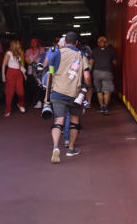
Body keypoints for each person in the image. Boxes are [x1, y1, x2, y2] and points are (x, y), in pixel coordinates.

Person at [44, 31, 91, 162]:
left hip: (57, 93)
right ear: (77, 43)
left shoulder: (56, 53)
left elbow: (51, 73)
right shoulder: (81, 55)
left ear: (64, 42)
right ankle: (71, 149)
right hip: (74, 95)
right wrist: (88, 88)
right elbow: (87, 77)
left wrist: (47, 94)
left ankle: (55, 148)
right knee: (74, 121)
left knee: (58, 121)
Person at [90, 36, 117, 114]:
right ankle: (105, 107)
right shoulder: (111, 51)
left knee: (99, 91)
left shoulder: (94, 51)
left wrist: (89, 70)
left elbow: (91, 62)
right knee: (107, 90)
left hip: (96, 72)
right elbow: (115, 63)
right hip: (107, 72)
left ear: (98, 43)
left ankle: (101, 107)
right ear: (106, 42)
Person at [0, 37, 27, 116]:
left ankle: (20, 104)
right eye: (18, 43)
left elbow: (19, 65)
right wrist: (3, 76)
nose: (19, 44)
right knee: (10, 92)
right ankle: (8, 109)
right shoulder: (8, 53)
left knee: (21, 92)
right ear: (14, 44)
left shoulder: (18, 53)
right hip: (11, 73)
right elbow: (3, 65)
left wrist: (24, 73)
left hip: (18, 73)